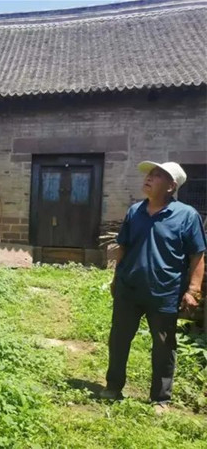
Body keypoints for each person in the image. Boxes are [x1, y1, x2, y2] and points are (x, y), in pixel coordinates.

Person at [101, 161, 206, 412]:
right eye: (149, 174)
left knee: (164, 346)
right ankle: (113, 386)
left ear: (171, 186)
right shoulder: (135, 211)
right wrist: (116, 279)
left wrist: (193, 290)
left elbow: (197, 255)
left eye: (157, 175)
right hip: (129, 289)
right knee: (119, 339)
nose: (148, 178)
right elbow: (123, 247)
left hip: (165, 292)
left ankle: (160, 398)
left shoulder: (186, 215)